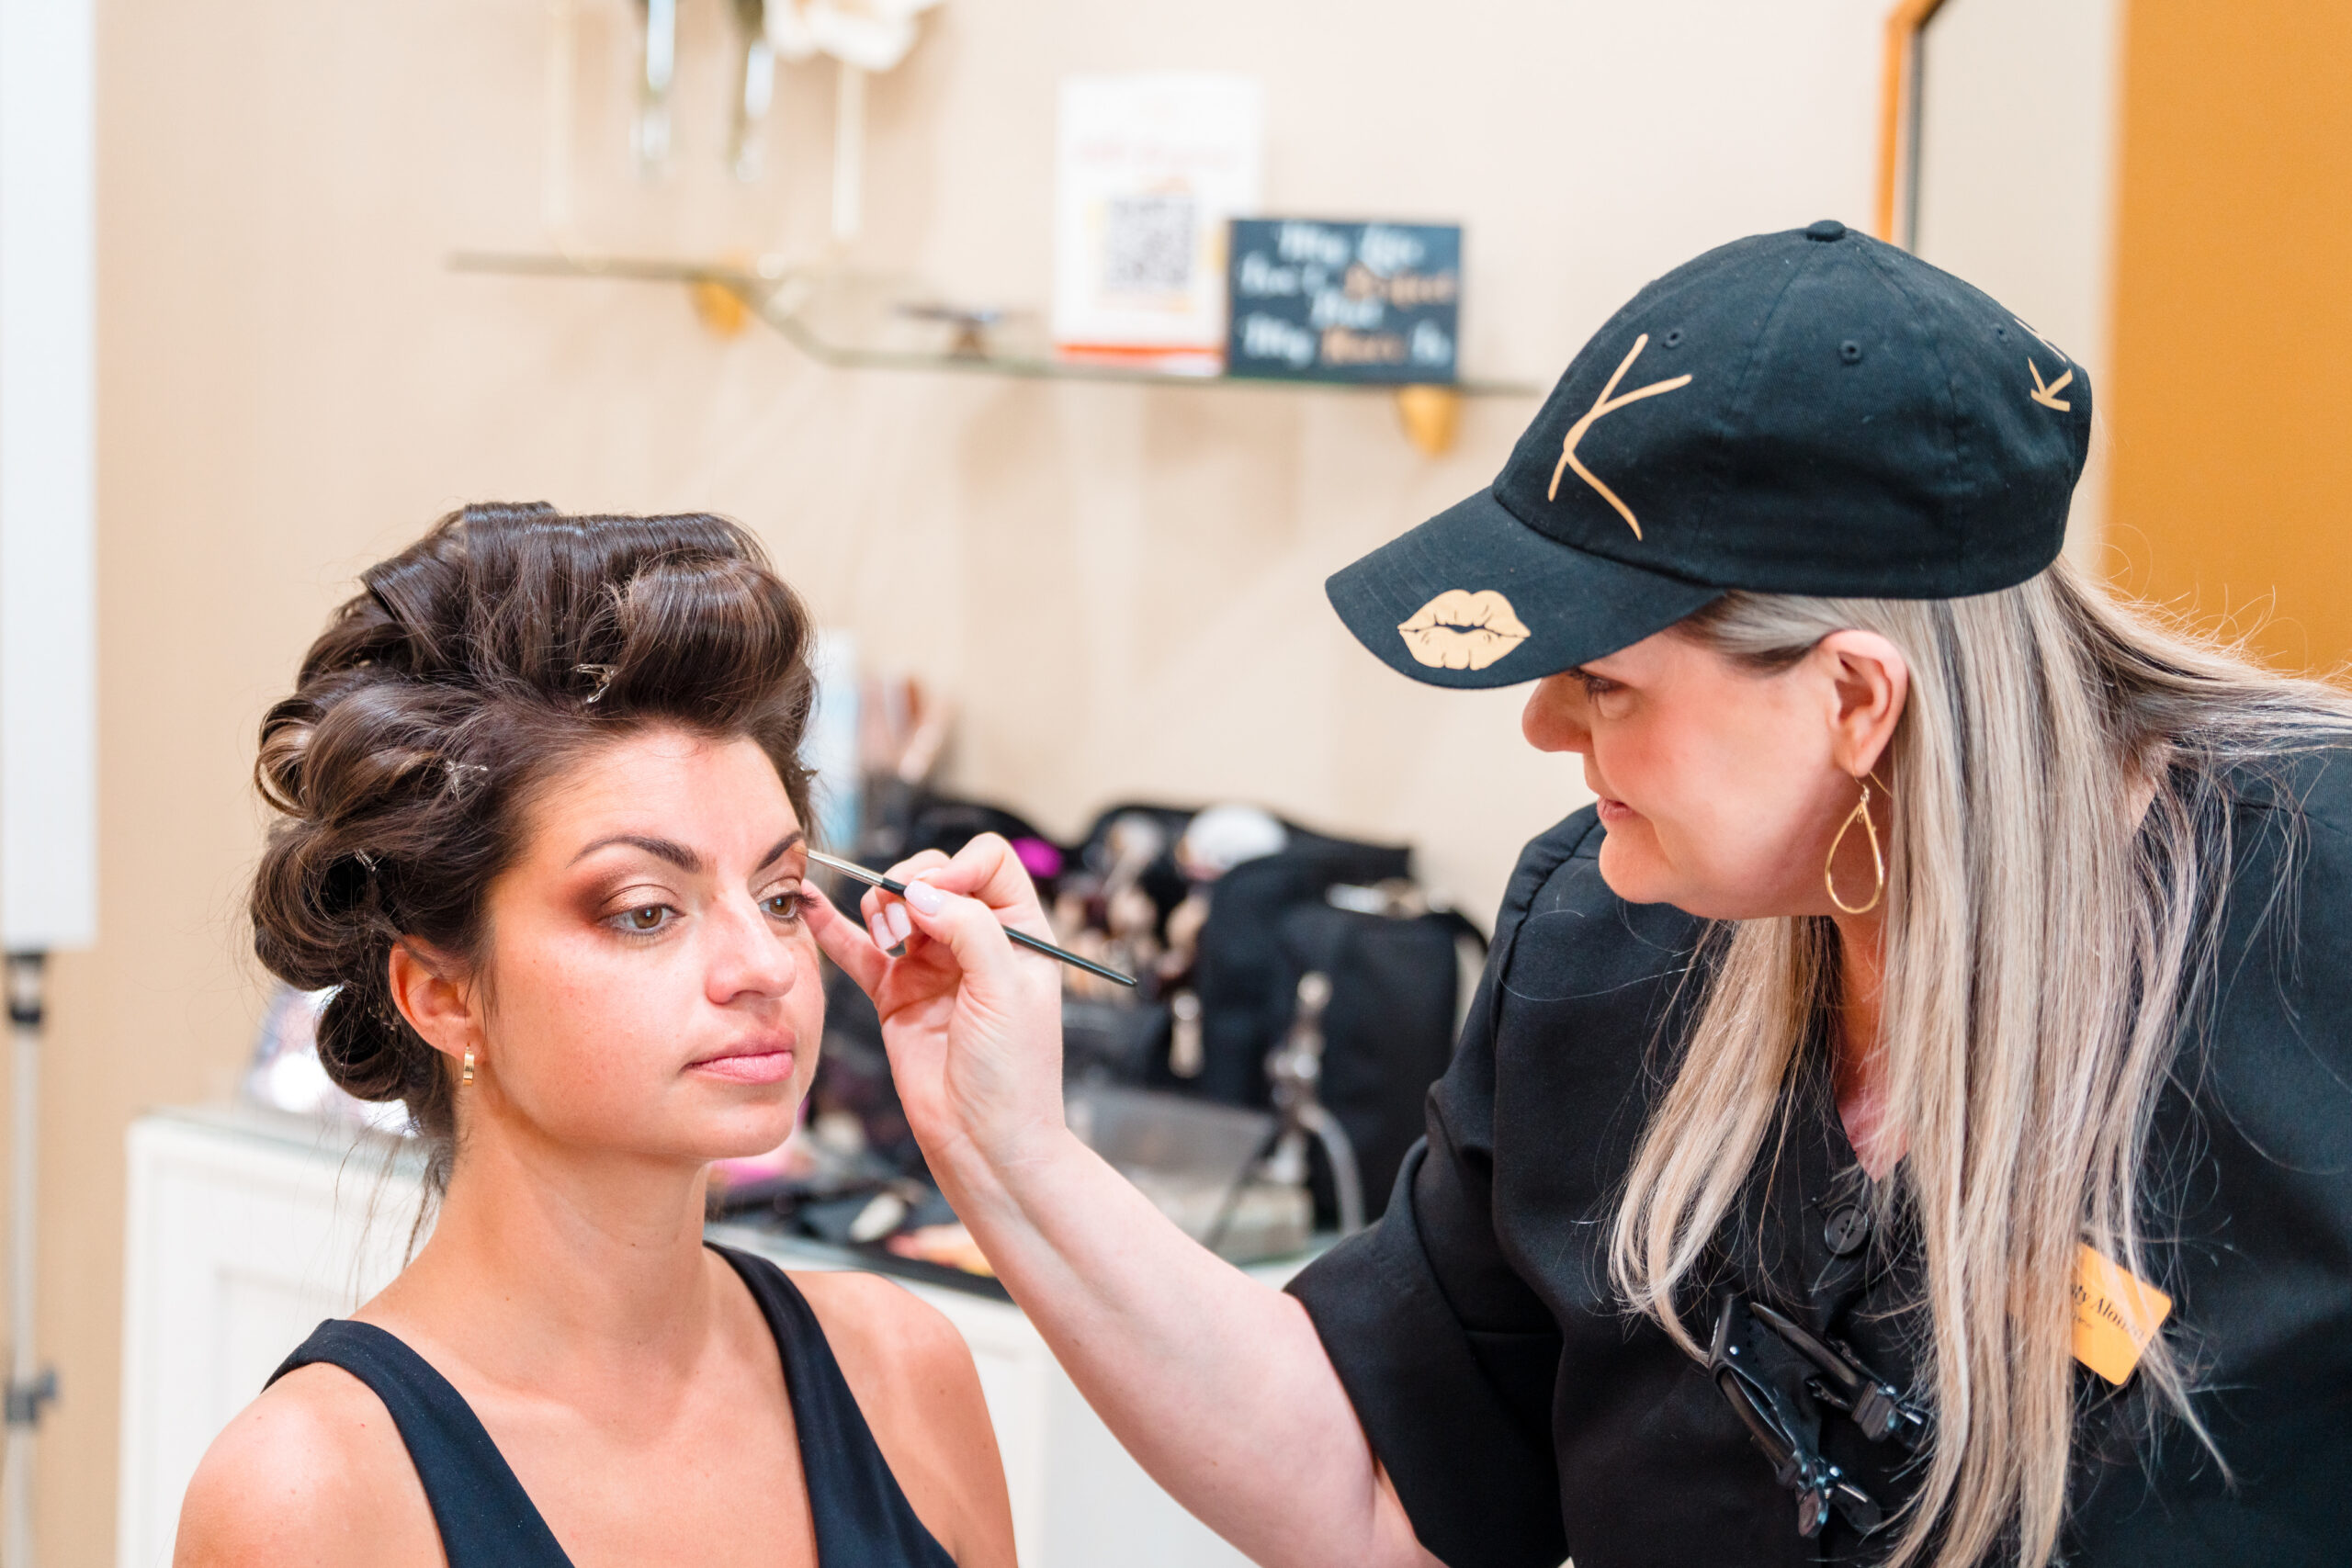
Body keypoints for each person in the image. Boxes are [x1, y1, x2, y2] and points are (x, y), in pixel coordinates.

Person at [804, 223, 2352, 1567]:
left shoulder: (2316, 908)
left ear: (1855, 702)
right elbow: (1370, 1493)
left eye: (1605, 681)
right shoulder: (1610, 947)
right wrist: (1007, 1150)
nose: (1545, 727)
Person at [177, 506, 1016, 1568]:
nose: (762, 966)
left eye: (780, 894)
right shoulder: (312, 1496)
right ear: (442, 996)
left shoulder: (902, 1375)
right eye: (643, 910)